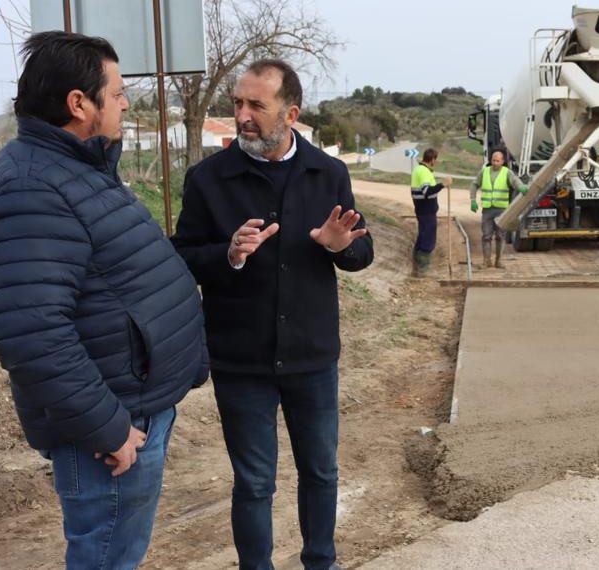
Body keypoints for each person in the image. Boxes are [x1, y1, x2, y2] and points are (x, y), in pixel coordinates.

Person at [0, 31, 209, 568]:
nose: (127, 103)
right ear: (79, 103)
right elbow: (33, 336)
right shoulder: (31, 187)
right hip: (109, 433)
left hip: (131, 411)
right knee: (106, 557)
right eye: (118, 91)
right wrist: (107, 428)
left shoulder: (80, 168)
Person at [171, 59, 373, 570]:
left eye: (256, 105)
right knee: (255, 481)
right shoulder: (208, 180)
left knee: (321, 472)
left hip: (311, 355)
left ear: (291, 112)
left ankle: (319, 562)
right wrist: (228, 254)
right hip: (241, 361)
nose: (242, 115)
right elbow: (182, 256)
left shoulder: (328, 174)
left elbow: (360, 253)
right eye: (238, 103)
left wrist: (336, 247)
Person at [470, 149, 527, 269]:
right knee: (486, 236)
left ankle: (499, 261)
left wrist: (521, 186)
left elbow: (515, 181)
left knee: (500, 236)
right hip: (487, 210)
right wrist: (473, 200)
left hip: (501, 210)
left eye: (497, 161)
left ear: (502, 161)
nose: (495, 163)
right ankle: (486, 261)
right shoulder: (484, 172)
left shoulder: (507, 172)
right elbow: (474, 184)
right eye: (493, 160)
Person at [410, 148, 451, 275]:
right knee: (427, 237)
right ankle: (423, 268)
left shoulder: (419, 169)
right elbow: (427, 191)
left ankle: (417, 264)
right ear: (432, 159)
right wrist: (442, 185)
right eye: (435, 160)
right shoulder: (424, 172)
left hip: (422, 209)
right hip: (426, 209)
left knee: (423, 235)